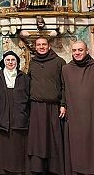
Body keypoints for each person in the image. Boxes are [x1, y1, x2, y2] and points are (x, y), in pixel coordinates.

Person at [27, 37, 66, 175]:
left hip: (53, 106)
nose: (41, 47)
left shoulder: (59, 62)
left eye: (44, 44)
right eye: (39, 45)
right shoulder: (32, 63)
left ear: (49, 46)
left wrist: (63, 104)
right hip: (36, 107)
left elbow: (64, 85)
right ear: (35, 47)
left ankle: (54, 169)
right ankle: (37, 168)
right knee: (37, 139)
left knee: (53, 139)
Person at [0, 51, 30, 174]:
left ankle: (19, 169)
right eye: (8, 60)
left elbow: (29, 97)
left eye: (13, 60)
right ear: (3, 62)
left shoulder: (24, 77)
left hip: (20, 115)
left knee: (18, 144)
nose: (10, 62)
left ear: (17, 62)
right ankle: (2, 170)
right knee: (4, 144)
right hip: (3, 116)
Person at [63, 41, 94, 175]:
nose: (77, 53)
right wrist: (63, 105)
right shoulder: (66, 69)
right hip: (74, 114)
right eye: (74, 50)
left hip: (91, 113)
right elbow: (63, 89)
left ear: (87, 51)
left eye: (80, 50)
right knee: (76, 146)